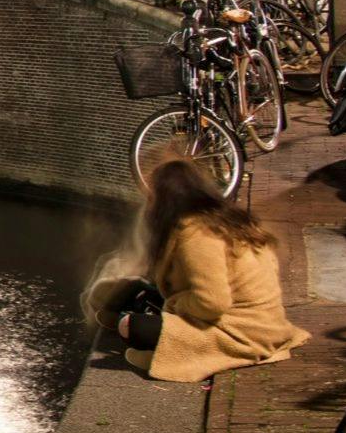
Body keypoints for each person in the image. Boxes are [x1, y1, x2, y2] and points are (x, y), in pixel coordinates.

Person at [109, 158, 309, 381]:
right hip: (267, 324)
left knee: (130, 327)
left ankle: (172, 353)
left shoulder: (198, 235)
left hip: (240, 331)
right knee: (132, 292)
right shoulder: (229, 219)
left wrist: (175, 304)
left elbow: (212, 303)